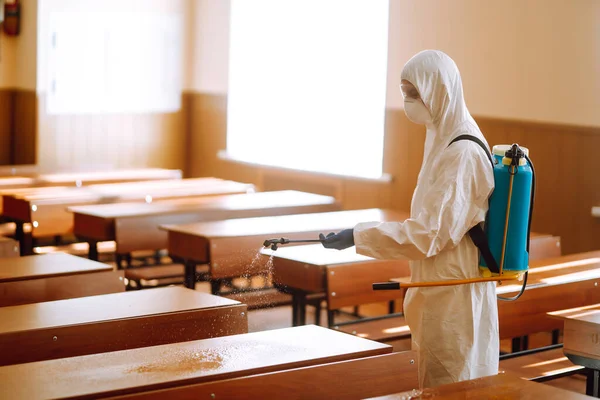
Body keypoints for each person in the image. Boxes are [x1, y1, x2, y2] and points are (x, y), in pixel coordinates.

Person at [319, 50, 498, 388]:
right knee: (434, 380)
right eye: (404, 92)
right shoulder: (442, 136)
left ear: (439, 91)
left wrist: (358, 236)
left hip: (452, 294)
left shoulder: (462, 152)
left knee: (451, 382)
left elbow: (428, 234)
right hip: (438, 287)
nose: (408, 101)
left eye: (414, 93)